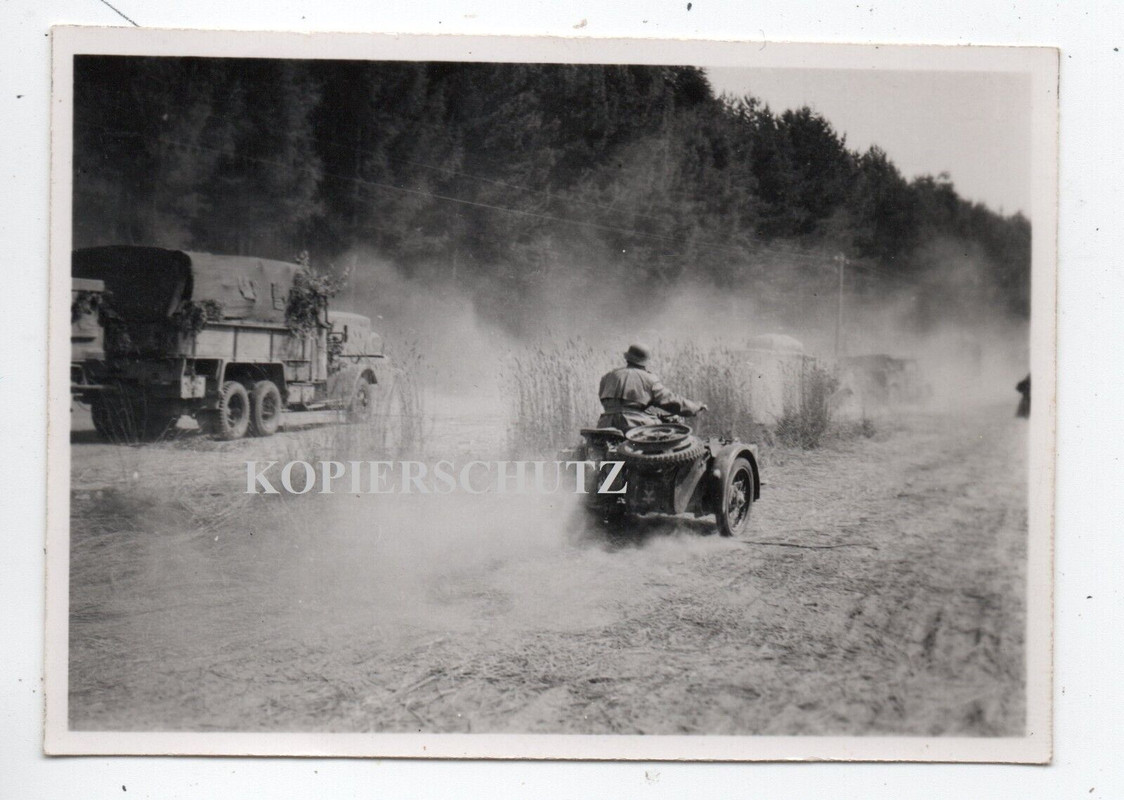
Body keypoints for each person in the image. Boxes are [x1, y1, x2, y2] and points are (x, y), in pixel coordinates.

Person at [596, 343, 705, 432]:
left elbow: (603, 399)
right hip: (635, 425)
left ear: (627, 358)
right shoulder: (649, 379)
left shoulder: (608, 376)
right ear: (645, 361)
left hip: (606, 423)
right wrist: (694, 407)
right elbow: (670, 400)